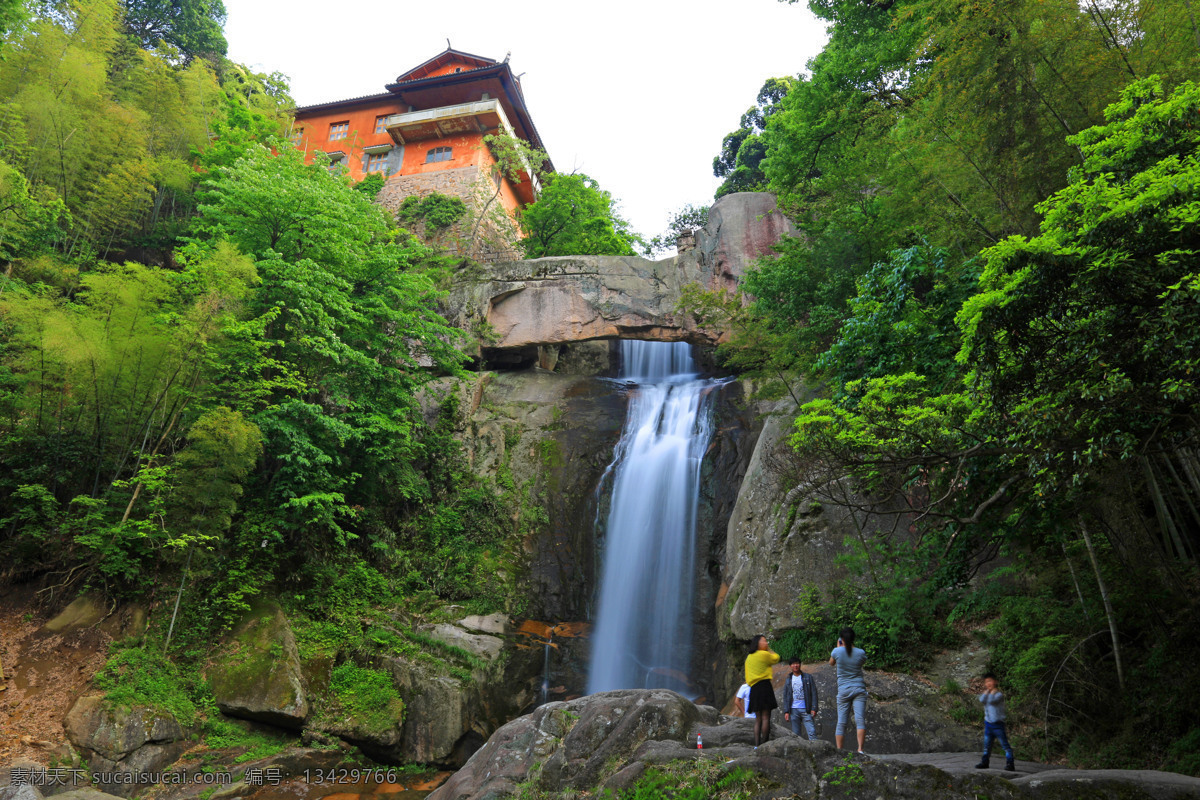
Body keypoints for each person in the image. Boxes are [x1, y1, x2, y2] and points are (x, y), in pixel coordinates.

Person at [829, 626, 868, 754]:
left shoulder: (837, 651)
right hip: (858, 688)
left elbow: (831, 663)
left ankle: (840, 750)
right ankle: (860, 749)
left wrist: (839, 648)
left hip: (844, 690)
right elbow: (861, 663)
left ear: (842, 639)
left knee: (841, 721)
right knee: (860, 719)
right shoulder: (861, 652)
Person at [744, 634, 780, 747]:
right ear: (758, 643)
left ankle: (756, 745)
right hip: (764, 686)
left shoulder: (748, 658)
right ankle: (764, 745)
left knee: (758, 718)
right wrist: (769, 650)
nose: (766, 643)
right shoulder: (764, 654)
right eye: (764, 641)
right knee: (766, 717)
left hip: (754, 688)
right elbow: (776, 658)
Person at [975, 673, 1016, 771]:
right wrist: (986, 692)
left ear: (995, 682)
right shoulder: (987, 694)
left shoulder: (999, 694)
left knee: (1005, 745)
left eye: (990, 681)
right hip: (988, 724)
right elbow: (981, 700)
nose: (988, 683)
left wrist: (991, 693)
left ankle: (1010, 763)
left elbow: (992, 701)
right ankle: (985, 762)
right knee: (986, 746)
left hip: (998, 725)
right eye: (986, 682)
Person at [782, 657, 819, 740]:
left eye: (797, 663)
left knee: (812, 732)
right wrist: (786, 711)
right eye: (793, 664)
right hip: (793, 710)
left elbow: (813, 693)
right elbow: (785, 696)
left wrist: (814, 708)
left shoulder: (808, 677)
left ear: (800, 664)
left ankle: (815, 751)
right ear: (790, 666)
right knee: (796, 735)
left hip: (806, 709)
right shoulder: (788, 680)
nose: (795, 665)